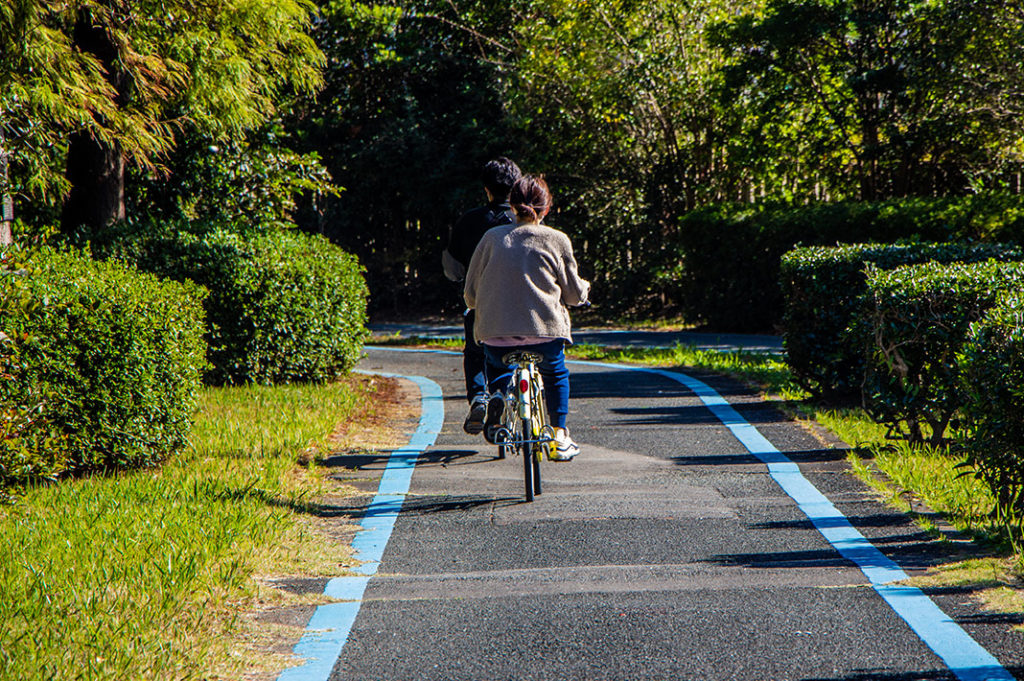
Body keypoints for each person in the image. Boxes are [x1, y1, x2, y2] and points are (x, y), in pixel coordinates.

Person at [463, 175, 590, 460]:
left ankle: (497, 396)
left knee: (497, 368)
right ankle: (558, 434)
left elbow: (470, 294)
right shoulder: (557, 240)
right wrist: (584, 293)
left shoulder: (491, 238)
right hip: (545, 333)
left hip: (496, 334)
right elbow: (572, 293)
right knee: (556, 374)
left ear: (511, 205)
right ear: (546, 209)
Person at [442, 157, 522, 434]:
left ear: (486, 189)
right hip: (524, 308)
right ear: (517, 187)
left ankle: (479, 396)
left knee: (475, 351)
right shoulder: (525, 222)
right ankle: (501, 391)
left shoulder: (469, 221)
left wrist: (462, 280)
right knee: (513, 351)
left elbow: (451, 268)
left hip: (480, 305)